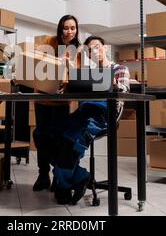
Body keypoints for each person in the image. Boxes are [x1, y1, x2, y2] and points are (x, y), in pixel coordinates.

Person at [52, 36, 130, 205]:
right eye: (89, 50)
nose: (94, 51)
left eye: (96, 47)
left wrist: (112, 81)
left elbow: (124, 91)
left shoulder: (120, 69)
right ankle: (77, 177)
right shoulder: (86, 72)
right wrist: (68, 85)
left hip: (105, 115)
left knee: (74, 139)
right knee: (58, 135)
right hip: (84, 113)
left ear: (105, 47)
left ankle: (65, 184)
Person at [32, 15, 82, 194]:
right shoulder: (49, 42)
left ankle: (57, 176)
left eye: (73, 28)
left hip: (61, 103)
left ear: (77, 30)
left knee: (60, 140)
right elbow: (37, 63)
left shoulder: (78, 50)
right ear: (60, 28)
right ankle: (42, 175)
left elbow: (78, 77)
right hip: (43, 100)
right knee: (42, 136)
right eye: (66, 28)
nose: (69, 31)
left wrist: (67, 85)